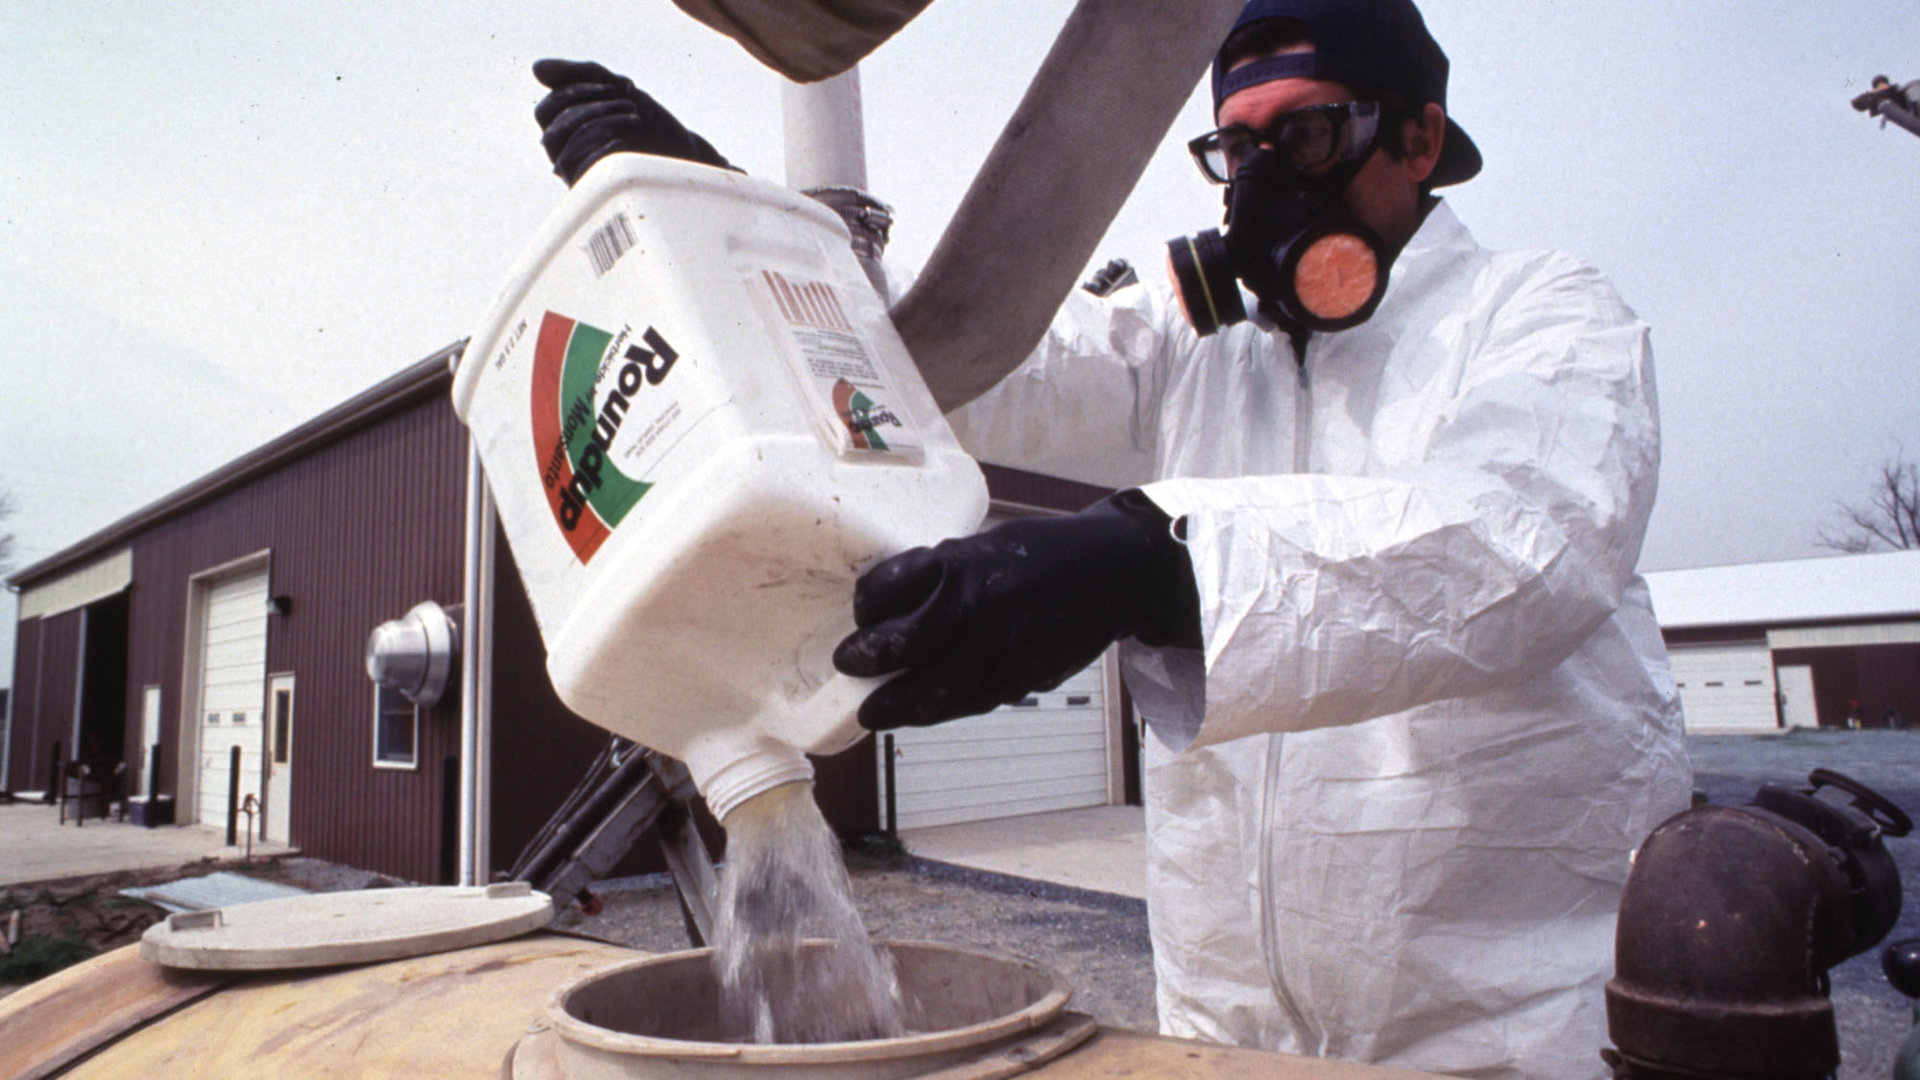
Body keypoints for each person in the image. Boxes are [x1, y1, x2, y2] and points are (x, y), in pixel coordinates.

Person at [532, 1, 1691, 1076]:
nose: (1263, 182)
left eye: (1312, 137)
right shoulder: (1198, 349)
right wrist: (736, 221)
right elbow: (948, 363)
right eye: (1237, 152)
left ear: (1421, 137)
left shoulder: (1541, 315)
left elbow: (1520, 543)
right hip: (1230, 1030)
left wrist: (1158, 561)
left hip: (1501, 1033)